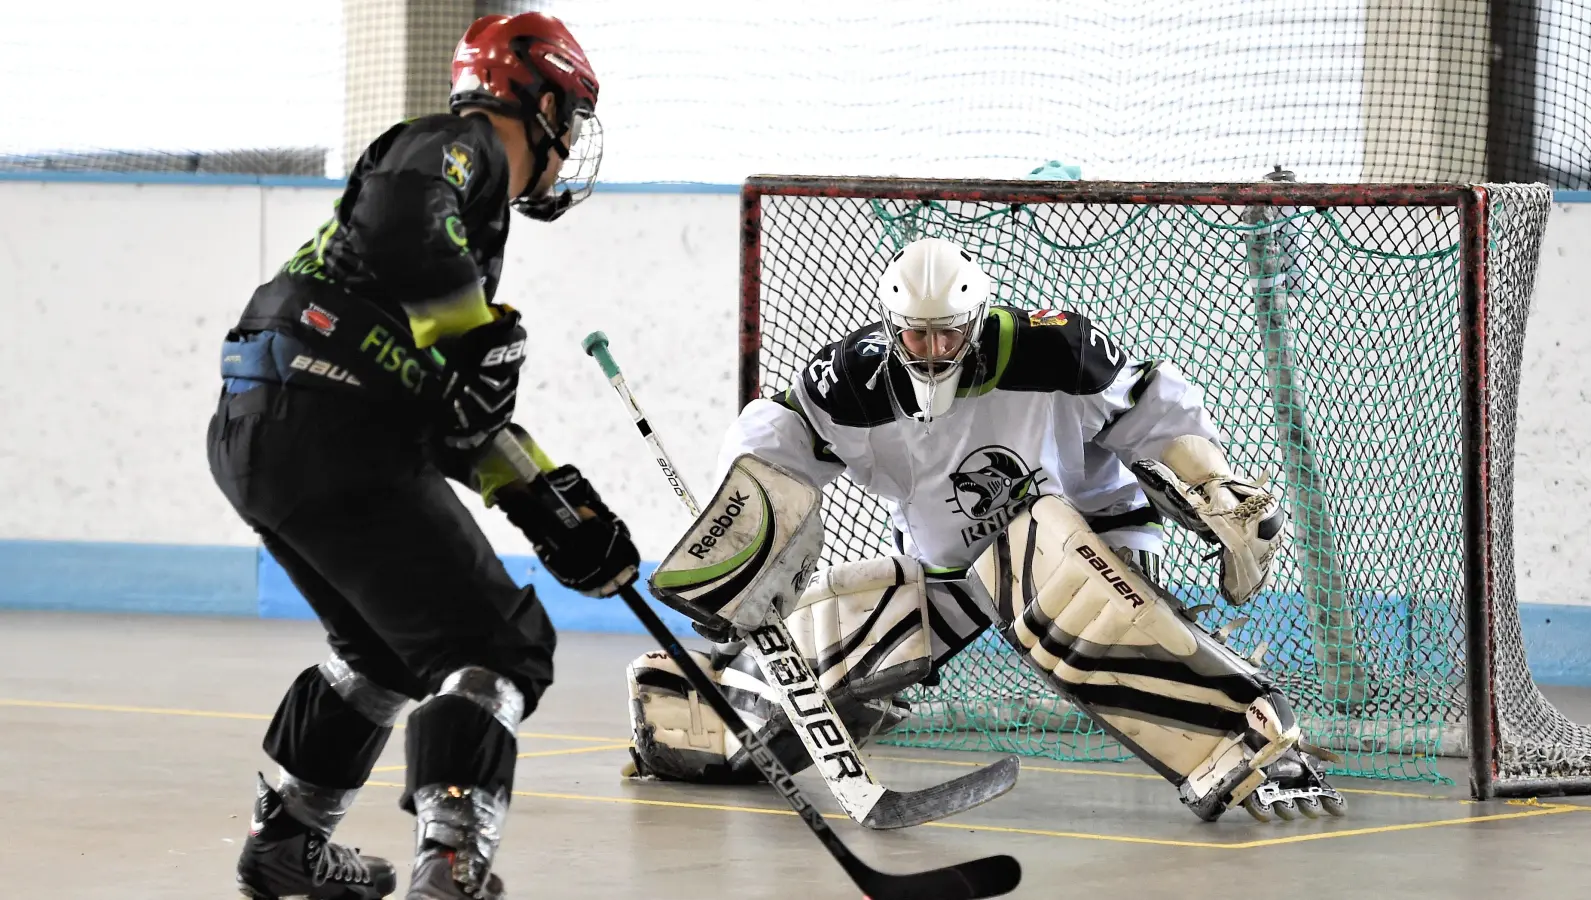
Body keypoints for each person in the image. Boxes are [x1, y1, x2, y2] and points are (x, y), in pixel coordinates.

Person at [626, 237, 1346, 822]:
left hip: (1091, 533)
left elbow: (1154, 405)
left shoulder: (1054, 347)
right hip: (955, 561)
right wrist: (742, 530)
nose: (932, 349)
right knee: (866, 621)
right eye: (916, 332)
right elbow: (780, 436)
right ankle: (699, 724)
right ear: (889, 324)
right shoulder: (855, 375)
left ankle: (1247, 738)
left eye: (948, 333)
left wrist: (1212, 481)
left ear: (976, 321)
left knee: (1054, 574)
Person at [208, 13, 637, 899]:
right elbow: (404, 217)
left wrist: (557, 509)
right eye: (575, 115)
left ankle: (285, 841)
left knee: (380, 650)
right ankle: (452, 867)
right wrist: (472, 335)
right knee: (499, 648)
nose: (573, 141)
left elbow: (452, 415)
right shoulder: (459, 147)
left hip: (269, 431)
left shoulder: (462, 234)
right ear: (546, 101)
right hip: (330, 422)